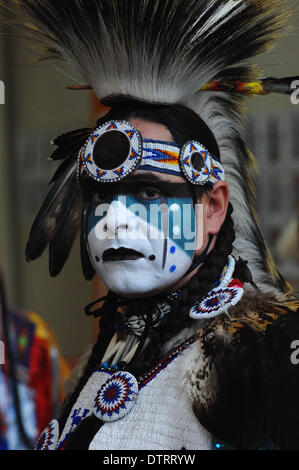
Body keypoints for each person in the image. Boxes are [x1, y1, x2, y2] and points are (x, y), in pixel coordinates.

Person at [2, 0, 299, 450]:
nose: (114, 223)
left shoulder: (262, 359)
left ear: (213, 206)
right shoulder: (112, 350)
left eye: (149, 193)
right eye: (101, 196)